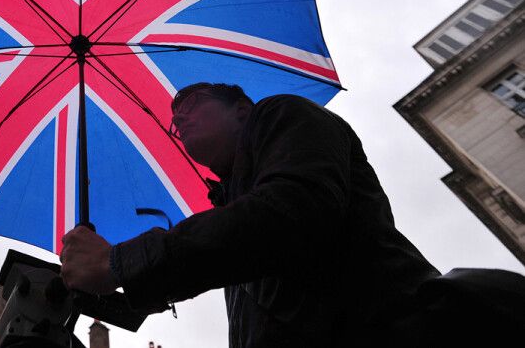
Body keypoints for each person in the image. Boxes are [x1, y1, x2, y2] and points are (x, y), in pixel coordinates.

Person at [59, 83, 524, 347]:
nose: (180, 122)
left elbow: (295, 211)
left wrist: (120, 261)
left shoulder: (281, 114)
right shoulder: (231, 210)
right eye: (175, 122)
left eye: (193, 107)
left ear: (242, 109)